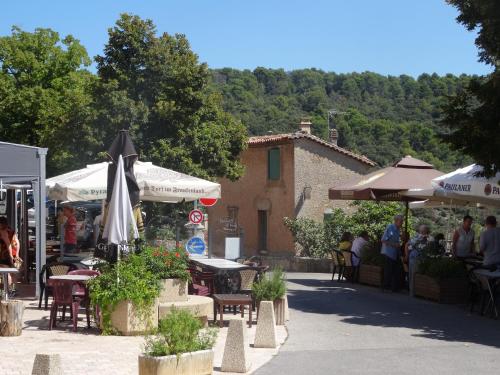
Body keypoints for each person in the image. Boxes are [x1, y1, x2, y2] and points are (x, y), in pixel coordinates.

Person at [405, 225, 432, 297]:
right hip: (415, 258)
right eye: (422, 231)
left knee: (418, 275)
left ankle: (419, 292)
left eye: (425, 231)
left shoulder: (428, 238)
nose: (423, 232)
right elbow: (407, 245)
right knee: (413, 275)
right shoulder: (416, 237)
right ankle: (412, 292)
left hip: (422, 259)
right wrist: (407, 255)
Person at [381, 214, 403, 292]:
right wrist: (395, 245)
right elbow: (383, 240)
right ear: (396, 221)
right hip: (388, 252)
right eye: (401, 221)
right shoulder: (390, 228)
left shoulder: (398, 229)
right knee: (388, 271)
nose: (402, 223)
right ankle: (385, 287)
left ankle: (392, 287)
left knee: (394, 271)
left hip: (394, 253)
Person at [0, 217, 20, 296]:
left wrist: (11, 256)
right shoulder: (11, 230)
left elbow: (8, 244)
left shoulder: (3, 231)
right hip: (14, 253)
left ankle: (8, 291)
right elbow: (17, 243)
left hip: (6, 255)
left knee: (6, 272)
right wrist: (17, 254)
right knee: (12, 272)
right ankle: (13, 290)